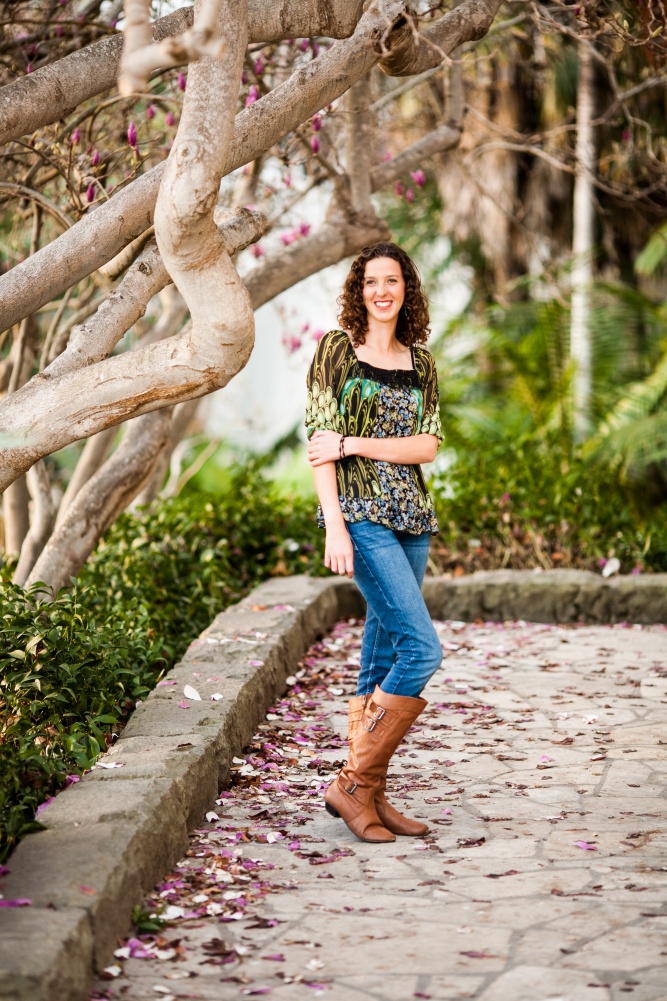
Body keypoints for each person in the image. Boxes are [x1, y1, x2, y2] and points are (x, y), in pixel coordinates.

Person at [305, 241, 444, 844]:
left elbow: (427, 446)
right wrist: (334, 524)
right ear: (358, 292)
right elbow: (319, 442)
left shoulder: (422, 362)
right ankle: (353, 783)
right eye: (370, 283)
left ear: (406, 289)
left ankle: (371, 795)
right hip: (360, 516)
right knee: (422, 649)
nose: (381, 291)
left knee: (383, 653)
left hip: (412, 518)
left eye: (392, 281)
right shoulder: (337, 349)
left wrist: (357, 443)